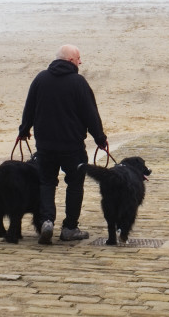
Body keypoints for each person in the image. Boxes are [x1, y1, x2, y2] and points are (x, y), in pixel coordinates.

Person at [18, 44, 108, 245]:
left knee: (47, 182)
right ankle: (69, 227)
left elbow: (29, 108)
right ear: (70, 61)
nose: (80, 62)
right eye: (78, 58)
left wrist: (24, 130)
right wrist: (100, 138)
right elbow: (90, 114)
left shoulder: (40, 79)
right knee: (75, 184)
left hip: (46, 146)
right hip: (72, 147)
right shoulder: (78, 82)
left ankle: (47, 221)